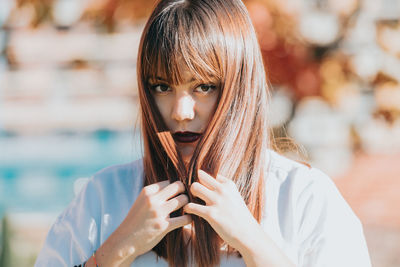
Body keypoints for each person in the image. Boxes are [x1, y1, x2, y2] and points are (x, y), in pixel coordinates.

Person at [35, 0, 372, 266]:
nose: (181, 111)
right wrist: (117, 250)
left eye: (204, 87)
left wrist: (252, 242)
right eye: (162, 86)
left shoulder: (304, 199)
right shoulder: (103, 198)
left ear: (240, 88)